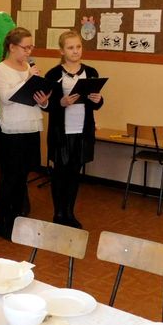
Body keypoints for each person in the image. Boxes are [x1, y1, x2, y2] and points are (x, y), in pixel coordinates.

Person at [0, 27, 50, 239]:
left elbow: (35, 96)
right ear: (12, 47)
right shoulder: (0, 69)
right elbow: (6, 98)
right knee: (11, 178)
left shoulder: (28, 67)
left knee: (24, 177)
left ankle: (19, 220)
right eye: (25, 47)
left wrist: (44, 101)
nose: (29, 52)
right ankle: (4, 224)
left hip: (31, 127)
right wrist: (27, 79)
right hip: (12, 130)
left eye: (31, 47)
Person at [43, 31, 104, 228]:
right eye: (70, 48)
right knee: (60, 173)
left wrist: (98, 100)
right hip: (61, 132)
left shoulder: (91, 72)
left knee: (74, 174)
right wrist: (60, 103)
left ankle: (69, 212)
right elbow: (47, 104)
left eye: (78, 47)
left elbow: (94, 104)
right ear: (62, 51)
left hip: (82, 131)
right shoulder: (53, 74)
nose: (75, 51)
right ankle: (58, 213)